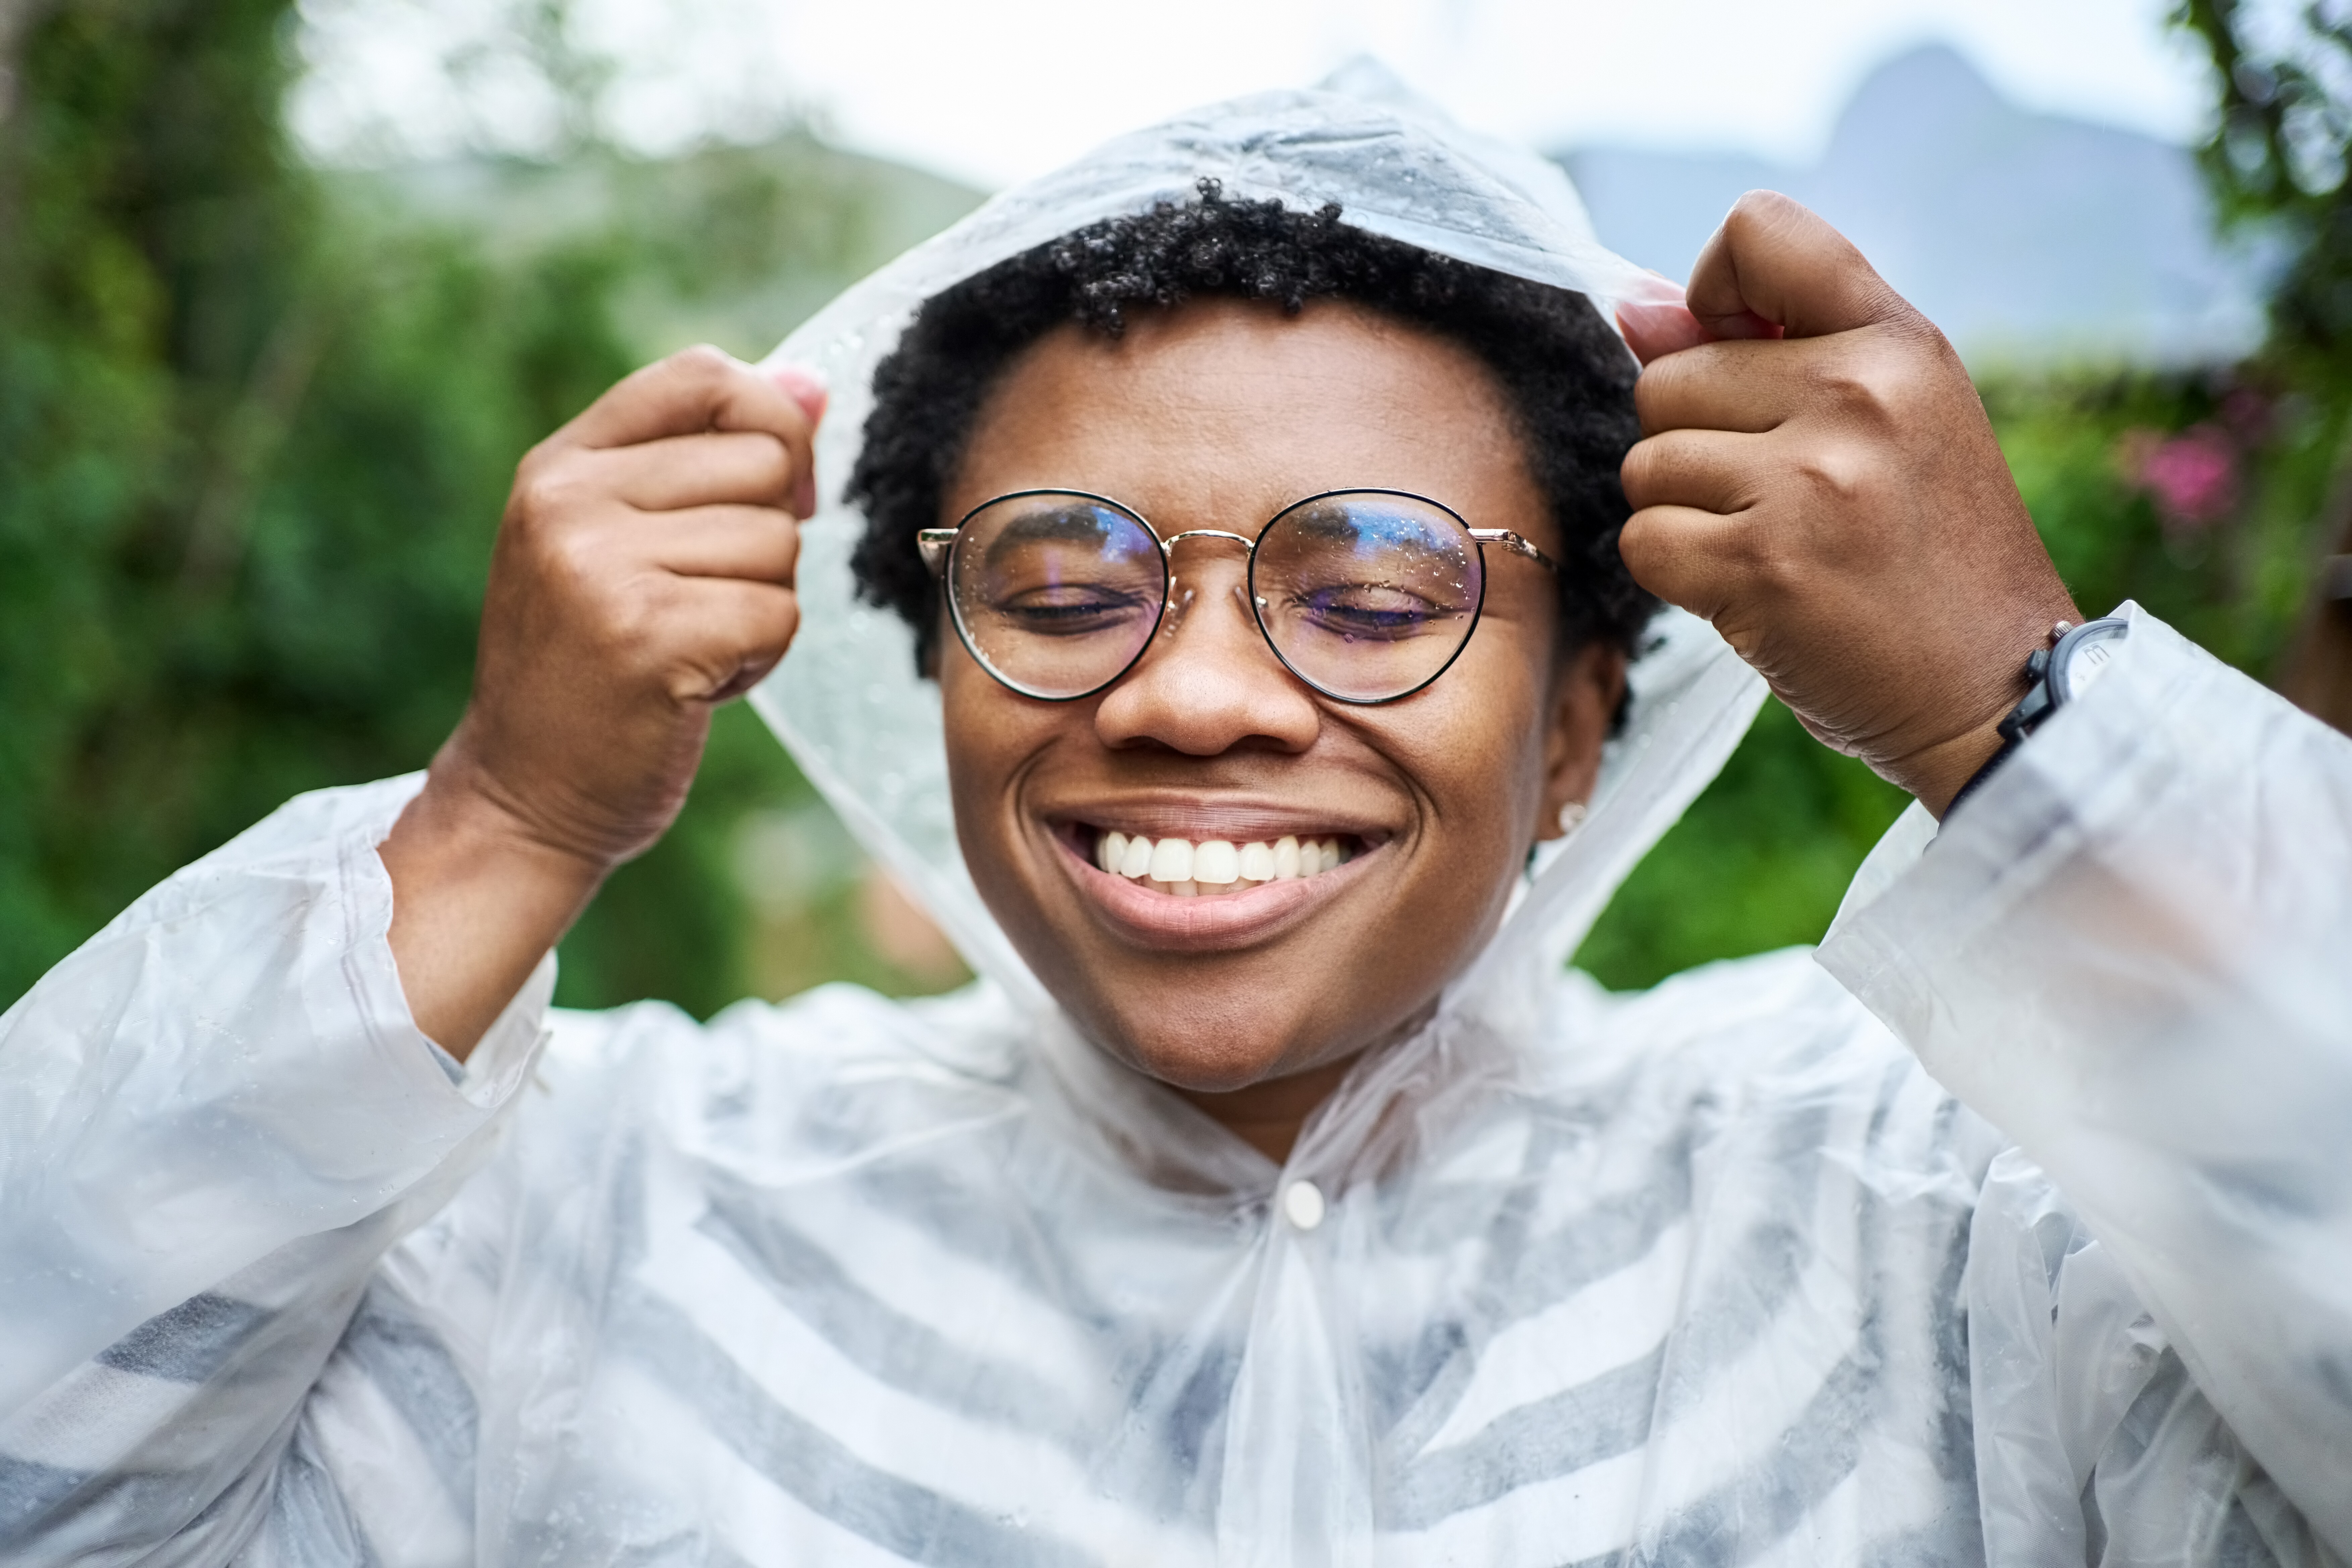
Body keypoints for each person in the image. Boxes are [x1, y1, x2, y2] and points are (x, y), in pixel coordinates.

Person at [3, 78, 2348, 1568]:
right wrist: (501, 812)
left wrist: (2026, 724)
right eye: (1058, 582)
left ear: (1580, 729)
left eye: (1371, 591)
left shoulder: (1934, 1220)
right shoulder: (612, 1218)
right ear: (934, 676)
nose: (1201, 693)